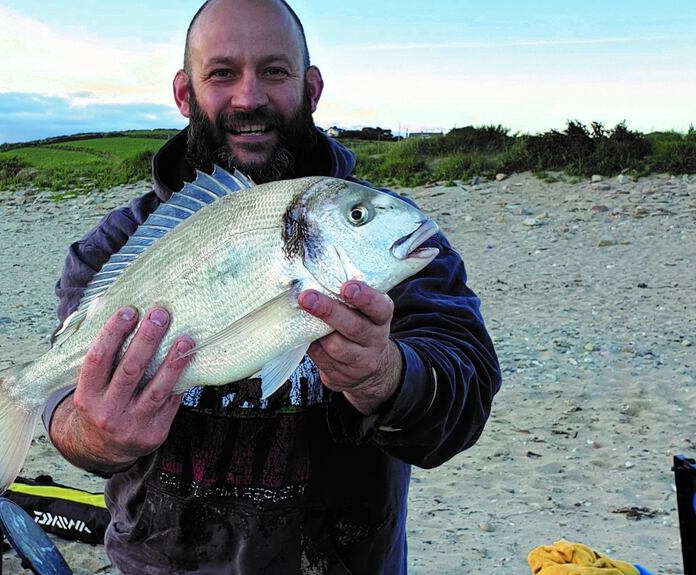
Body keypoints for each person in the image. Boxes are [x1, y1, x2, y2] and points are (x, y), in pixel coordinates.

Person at [42, 0, 501, 573]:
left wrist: (386, 376)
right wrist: (98, 435)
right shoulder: (113, 245)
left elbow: (467, 393)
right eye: (222, 73)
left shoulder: (379, 232)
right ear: (185, 94)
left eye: (275, 71)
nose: (249, 97)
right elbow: (62, 408)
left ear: (311, 87)